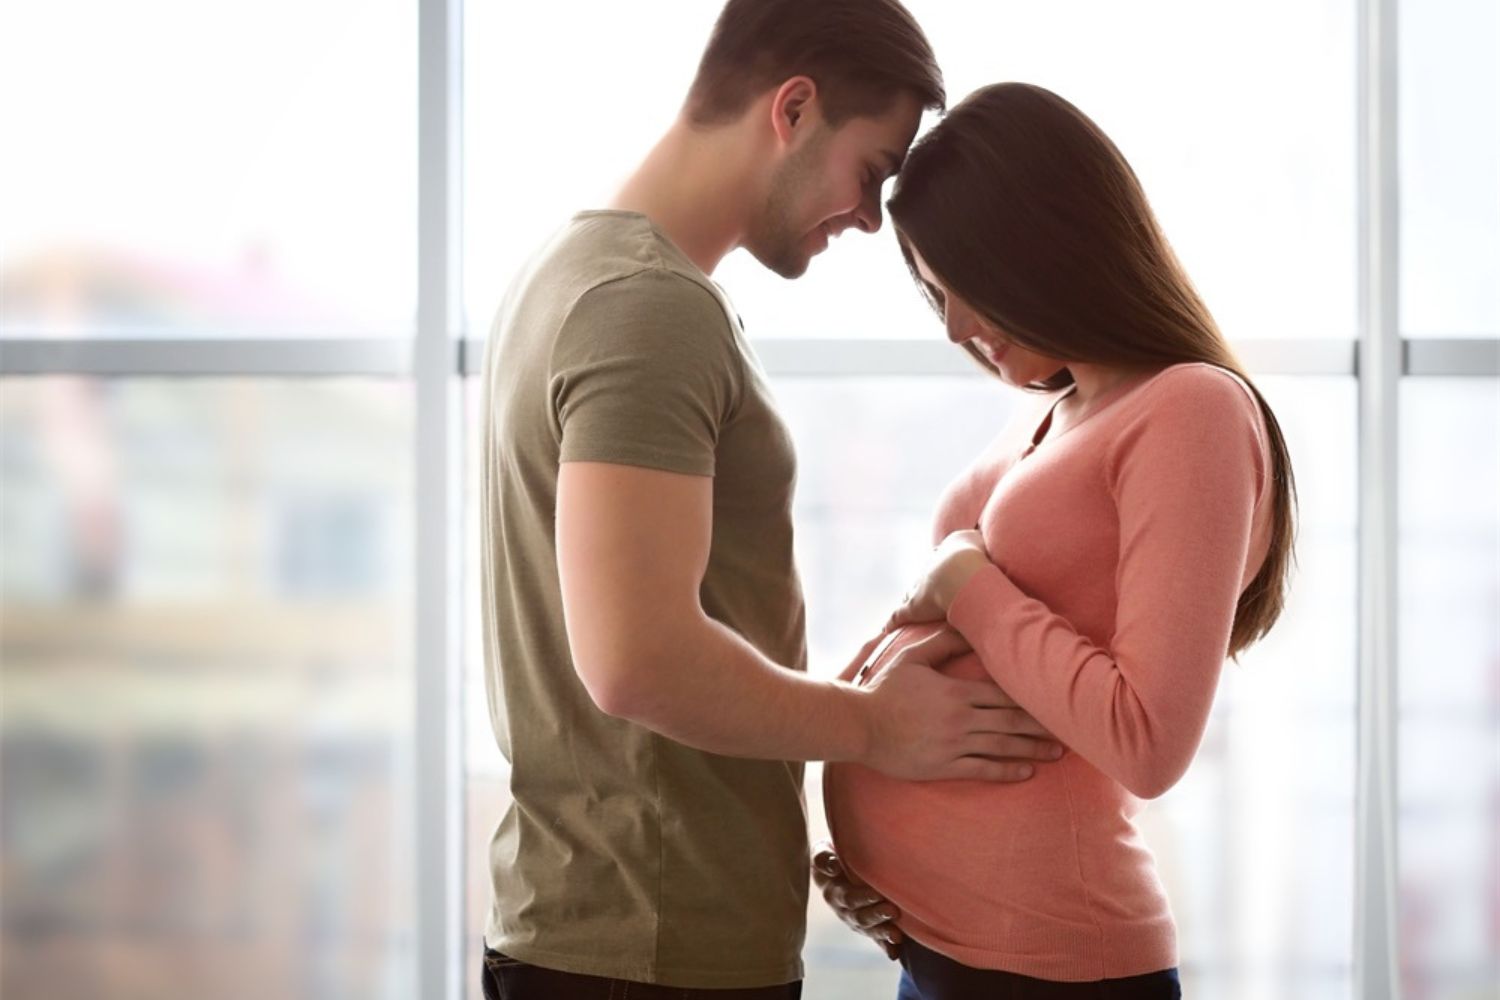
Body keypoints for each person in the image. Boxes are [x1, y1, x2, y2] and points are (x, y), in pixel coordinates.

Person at [477, 8, 1066, 998]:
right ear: (793, 109)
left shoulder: (573, 276)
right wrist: (878, 728)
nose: (874, 217)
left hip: (624, 932)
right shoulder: (646, 307)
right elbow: (638, 661)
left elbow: (667, 656)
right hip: (651, 952)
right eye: (874, 170)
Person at [816, 82, 1299, 999]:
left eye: (968, 288)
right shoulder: (1051, 412)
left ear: (1045, 244)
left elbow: (1147, 740)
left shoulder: (1189, 408)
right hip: (934, 949)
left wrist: (964, 580)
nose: (956, 329)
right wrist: (871, 857)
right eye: (934, 294)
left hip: (1048, 968)